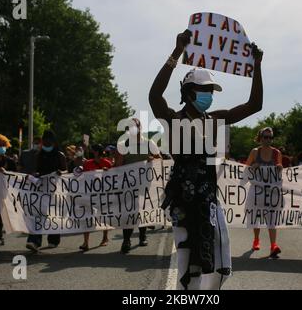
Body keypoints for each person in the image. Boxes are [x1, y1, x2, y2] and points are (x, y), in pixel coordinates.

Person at [149, 29, 263, 289]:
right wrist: (177, 51)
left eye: (211, 90)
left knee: (220, 261)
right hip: (184, 202)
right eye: (206, 89)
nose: (210, 95)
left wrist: (257, 66)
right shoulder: (175, 119)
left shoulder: (213, 120)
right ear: (189, 92)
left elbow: (253, 105)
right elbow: (155, 96)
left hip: (210, 200)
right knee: (189, 261)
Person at [116, 118, 161, 254]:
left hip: (144, 184)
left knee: (142, 210)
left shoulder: (149, 143)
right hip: (128, 185)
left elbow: (160, 160)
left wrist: (152, 160)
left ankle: (142, 236)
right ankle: (126, 240)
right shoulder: (123, 145)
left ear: (140, 127)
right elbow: (118, 165)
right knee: (129, 212)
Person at [26, 130, 67, 252]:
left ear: (54, 142)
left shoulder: (60, 155)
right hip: (42, 188)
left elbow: (66, 171)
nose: (46, 144)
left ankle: (53, 239)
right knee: (38, 214)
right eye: (45, 141)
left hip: (56, 190)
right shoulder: (39, 155)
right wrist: (36, 175)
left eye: (49, 142)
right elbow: (37, 170)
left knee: (54, 215)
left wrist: (61, 173)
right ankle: (34, 241)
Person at [246, 127, 283, 258]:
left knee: (271, 218)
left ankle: (273, 245)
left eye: (270, 137)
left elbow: (280, 171)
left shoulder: (276, 152)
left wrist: (279, 167)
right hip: (256, 192)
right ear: (260, 138)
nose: (268, 140)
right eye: (265, 137)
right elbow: (245, 170)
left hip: (271, 192)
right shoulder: (255, 152)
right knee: (256, 216)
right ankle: (256, 239)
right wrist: (252, 167)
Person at [79, 143, 112, 251]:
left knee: (103, 215)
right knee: (87, 217)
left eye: (94, 150)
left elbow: (115, 176)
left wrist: (108, 172)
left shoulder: (107, 163)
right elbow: (82, 177)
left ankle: (105, 237)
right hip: (89, 194)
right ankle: (85, 242)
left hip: (102, 194)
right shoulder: (87, 163)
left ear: (97, 152)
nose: (92, 152)